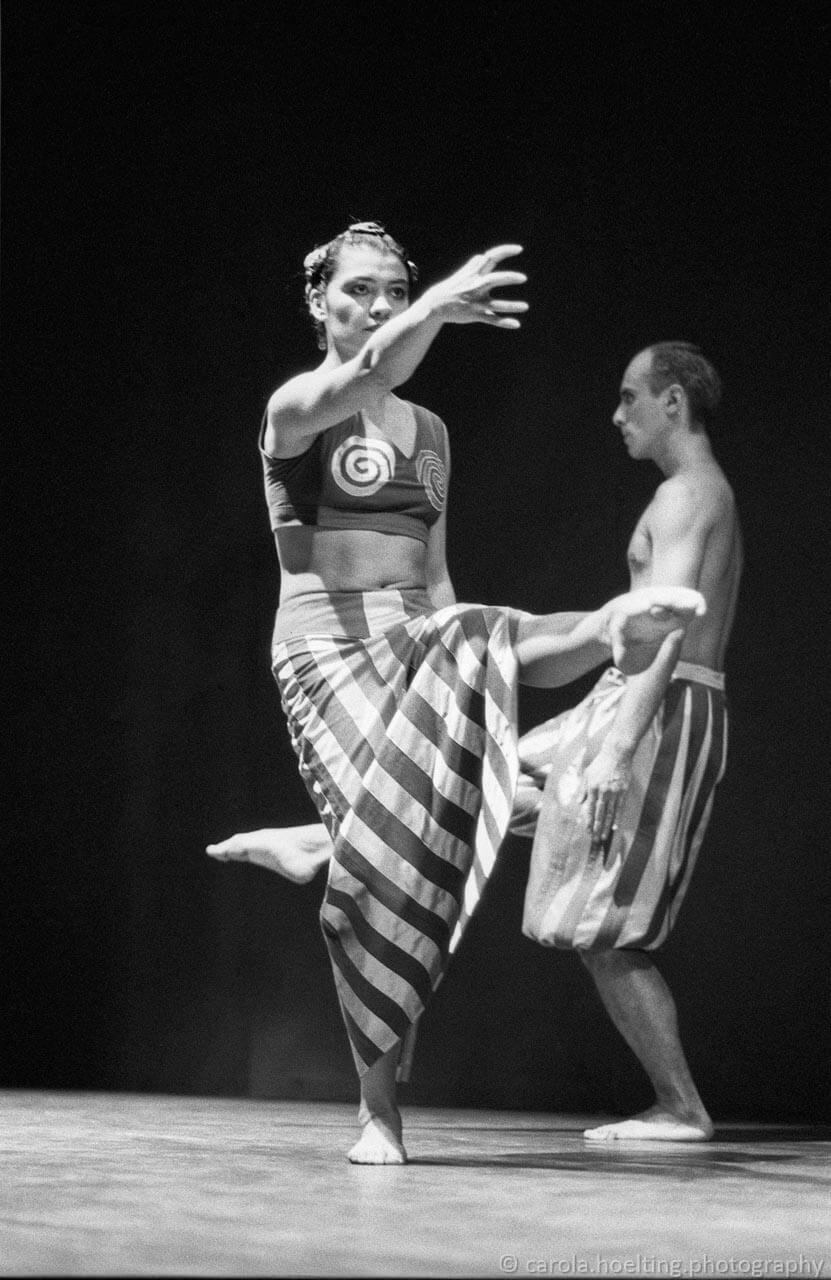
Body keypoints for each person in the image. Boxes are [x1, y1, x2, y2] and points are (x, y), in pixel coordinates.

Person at [206, 223, 706, 1165]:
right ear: (318, 300)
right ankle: (377, 1114)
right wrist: (437, 304)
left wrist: (462, 673)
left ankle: (605, 630)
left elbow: (436, 580)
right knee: (379, 882)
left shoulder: (431, 435)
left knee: (473, 661)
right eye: (359, 290)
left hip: (418, 639)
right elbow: (366, 375)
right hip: (325, 655)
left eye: (394, 292)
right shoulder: (294, 409)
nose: (378, 307)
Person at [512, 341, 742, 1142]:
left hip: (658, 708)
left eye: (628, 397)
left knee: (604, 929)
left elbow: (668, 626)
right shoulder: (688, 493)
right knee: (485, 777)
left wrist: (616, 750)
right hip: (625, 697)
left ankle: (681, 1108)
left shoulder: (687, 495)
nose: (616, 416)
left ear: (672, 401)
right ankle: (326, 841)